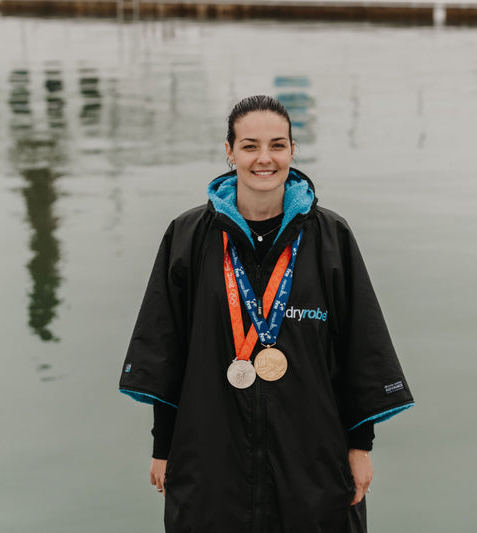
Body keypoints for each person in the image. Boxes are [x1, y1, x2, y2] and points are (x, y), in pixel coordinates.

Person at [119, 95, 413, 533]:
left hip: (312, 454)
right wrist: (163, 445)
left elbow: (361, 346)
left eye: (277, 145)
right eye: (250, 145)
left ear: (293, 151)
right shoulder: (188, 237)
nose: (264, 158)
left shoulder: (330, 236)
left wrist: (360, 446)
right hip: (210, 452)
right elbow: (165, 346)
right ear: (229, 151)